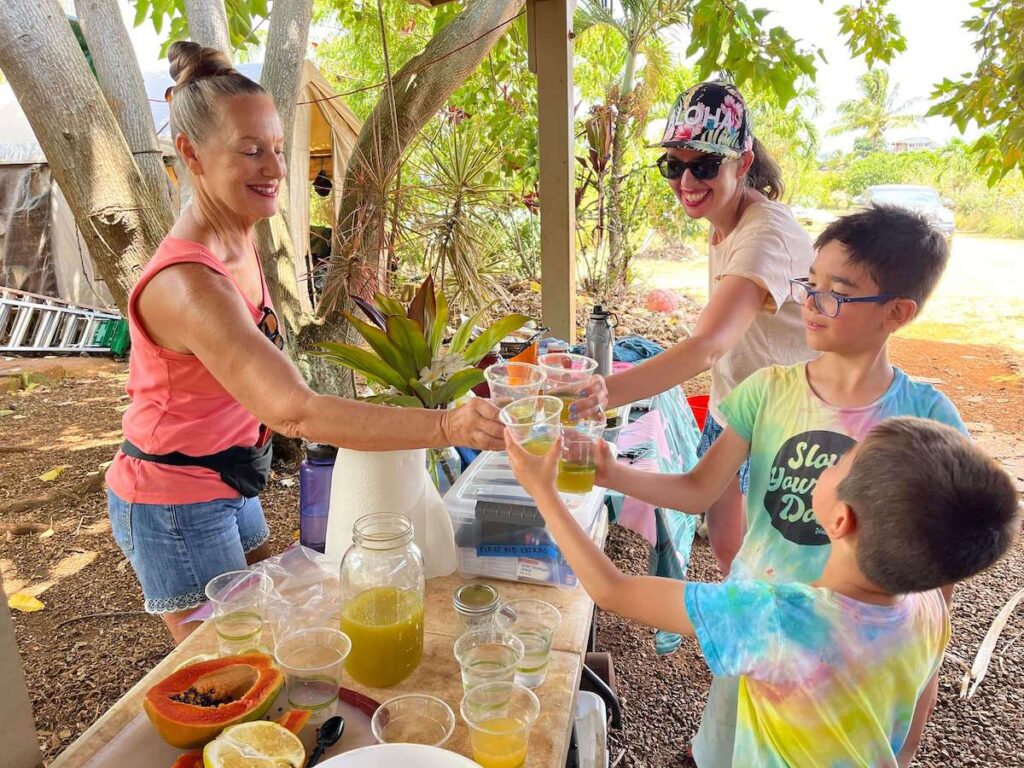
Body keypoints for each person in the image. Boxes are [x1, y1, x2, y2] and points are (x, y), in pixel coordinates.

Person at [105, 42, 504, 644]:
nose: (274, 168)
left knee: (282, 620)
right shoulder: (188, 285)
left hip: (232, 477)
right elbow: (294, 409)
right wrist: (449, 427)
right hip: (174, 502)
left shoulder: (239, 238)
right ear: (190, 153)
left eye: (275, 149)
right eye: (249, 151)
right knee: (229, 663)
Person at [588, 205, 969, 765]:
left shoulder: (927, 420)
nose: (809, 304)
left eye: (835, 293)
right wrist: (613, 473)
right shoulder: (768, 391)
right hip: (757, 618)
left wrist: (908, 738)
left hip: (851, 650)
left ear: (898, 312)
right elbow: (699, 489)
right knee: (725, 750)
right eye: (809, 284)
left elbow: (935, 589)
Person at [506, 417, 1019, 767]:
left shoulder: (773, 619)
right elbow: (920, 697)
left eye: (839, 464)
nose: (826, 464)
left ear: (840, 519)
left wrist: (543, 494)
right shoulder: (929, 606)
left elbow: (612, 588)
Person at [576, 81, 814, 577]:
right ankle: (739, 636)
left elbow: (706, 346)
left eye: (704, 166)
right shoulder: (723, 222)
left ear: (743, 164)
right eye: (674, 165)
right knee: (729, 545)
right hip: (736, 402)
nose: (687, 181)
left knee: (771, 566)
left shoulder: (765, 233)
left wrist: (599, 394)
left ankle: (768, 648)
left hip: (783, 420)